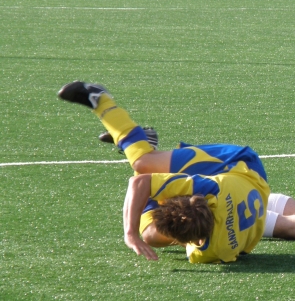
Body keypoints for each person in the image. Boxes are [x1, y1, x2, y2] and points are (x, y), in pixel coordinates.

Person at [57, 81, 270, 263]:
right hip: (240, 166)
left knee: (151, 236)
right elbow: (140, 182)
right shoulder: (214, 194)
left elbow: (145, 187)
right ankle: (100, 99)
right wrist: (130, 234)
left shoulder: (213, 208)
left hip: (248, 194)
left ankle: (141, 141)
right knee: (143, 163)